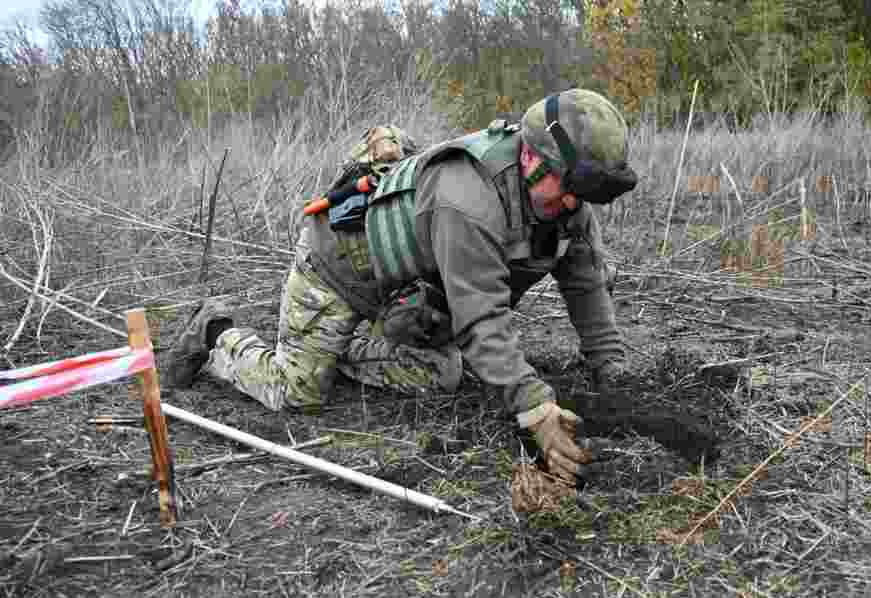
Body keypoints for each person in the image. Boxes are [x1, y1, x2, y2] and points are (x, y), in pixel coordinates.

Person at [166, 89, 638, 487]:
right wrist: (536, 411)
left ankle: (343, 349)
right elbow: (482, 318)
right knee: (297, 393)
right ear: (531, 156)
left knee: (443, 376)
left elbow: (586, 281)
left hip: (407, 287)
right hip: (339, 269)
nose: (575, 202)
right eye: (568, 187)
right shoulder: (470, 200)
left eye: (586, 192)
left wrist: (611, 366)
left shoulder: (567, 203)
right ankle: (216, 332)